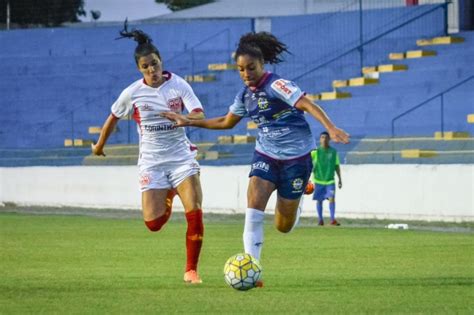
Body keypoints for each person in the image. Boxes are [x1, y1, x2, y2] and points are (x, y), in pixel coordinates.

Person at [162, 32, 349, 286]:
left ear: (262, 65)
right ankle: (253, 268)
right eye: (240, 69)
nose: (246, 73)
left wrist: (331, 126)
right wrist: (189, 121)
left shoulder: (277, 85)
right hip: (266, 155)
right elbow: (226, 122)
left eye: (251, 68)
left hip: (296, 159)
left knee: (283, 226)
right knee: (254, 203)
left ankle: (300, 195)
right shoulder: (244, 96)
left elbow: (306, 104)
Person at [91, 22, 205, 284]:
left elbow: (200, 114)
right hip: (152, 164)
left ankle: (191, 270)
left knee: (195, 211)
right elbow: (113, 117)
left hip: (181, 159)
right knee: (153, 224)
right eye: (146, 67)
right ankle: (169, 194)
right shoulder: (132, 93)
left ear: (161, 61)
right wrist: (99, 146)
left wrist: (184, 118)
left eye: (155, 63)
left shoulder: (178, 85)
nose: (152, 70)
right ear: (139, 69)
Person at [310, 132, 343, 226]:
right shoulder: (316, 152)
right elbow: (308, 162)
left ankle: (332, 219)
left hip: (330, 180)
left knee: (331, 198)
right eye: (322, 137)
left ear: (329, 139)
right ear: (320, 139)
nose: (324, 139)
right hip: (318, 180)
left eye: (325, 137)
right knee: (319, 200)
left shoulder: (333, 152)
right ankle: (320, 220)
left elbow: (337, 166)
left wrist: (340, 179)